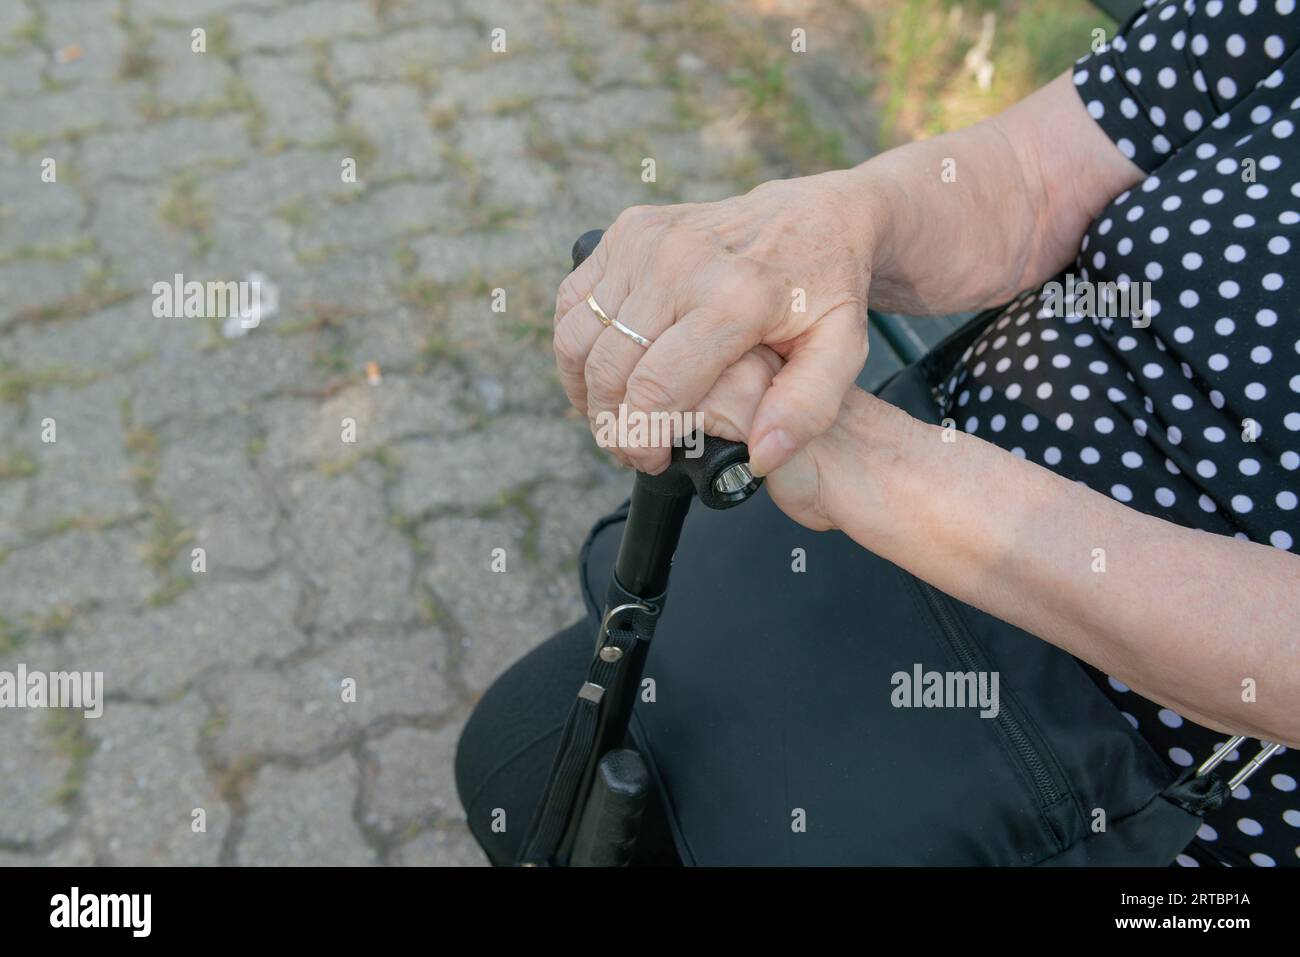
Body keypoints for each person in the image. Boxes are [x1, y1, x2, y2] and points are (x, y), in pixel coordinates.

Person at [457, 0, 1299, 867]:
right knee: (522, 760)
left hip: (1151, 787)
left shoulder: (884, 479)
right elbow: (1029, 174)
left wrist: (885, 470)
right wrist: (833, 223)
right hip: (889, 535)